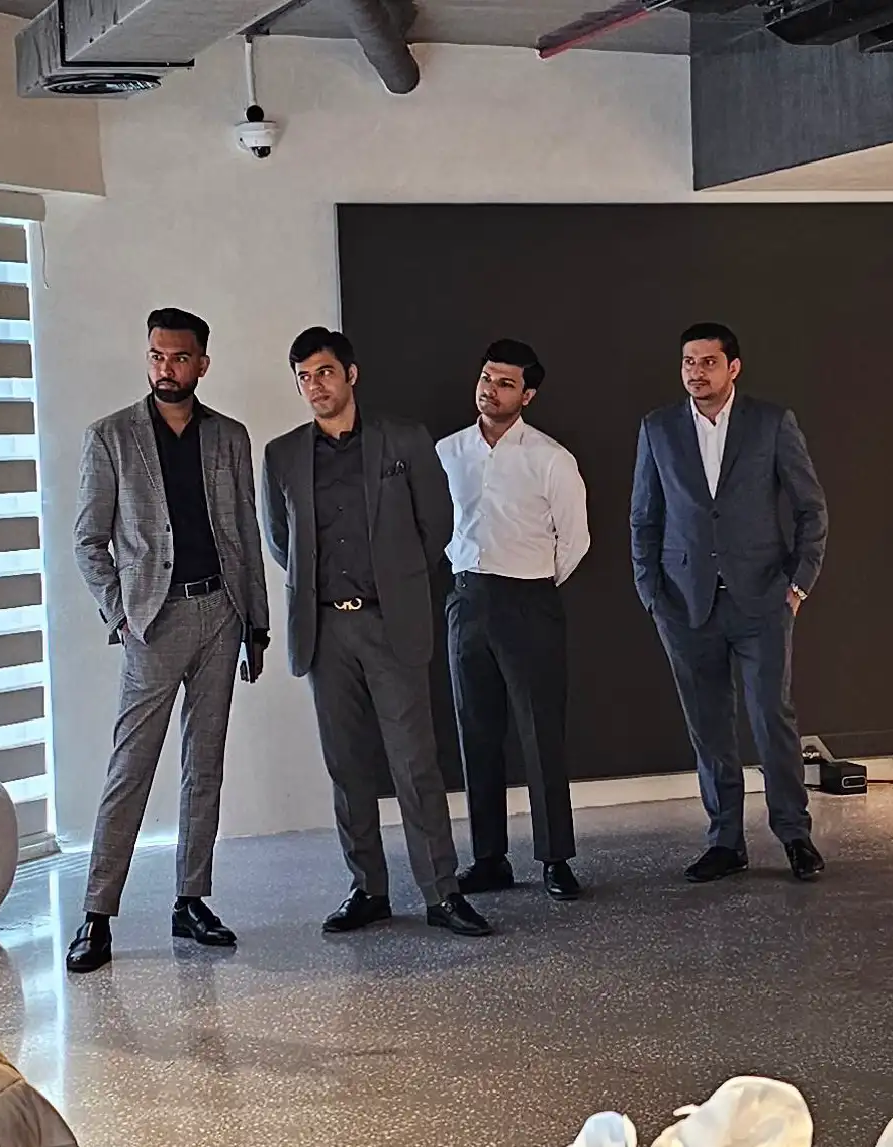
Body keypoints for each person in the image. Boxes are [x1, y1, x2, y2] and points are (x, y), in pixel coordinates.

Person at [261, 327, 492, 937]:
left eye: (325, 373)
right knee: (348, 767)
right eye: (305, 376)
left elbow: (436, 523)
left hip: (392, 624)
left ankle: (442, 893)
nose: (316, 386)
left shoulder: (404, 440)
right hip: (323, 632)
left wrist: (395, 585)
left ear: (351, 375)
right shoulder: (282, 455)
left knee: (415, 763)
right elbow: (281, 542)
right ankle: (367, 888)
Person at [68, 308, 270, 971]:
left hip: (221, 611)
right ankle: (97, 915)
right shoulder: (111, 437)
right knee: (131, 768)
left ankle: (191, 897)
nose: (165, 368)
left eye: (179, 357)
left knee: (203, 763)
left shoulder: (229, 437)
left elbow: (244, 531)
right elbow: (87, 540)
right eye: (156, 355)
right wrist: (119, 614)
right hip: (152, 621)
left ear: (202, 364)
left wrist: (255, 623)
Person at [630, 322, 829, 883]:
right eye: (689, 362)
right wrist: (651, 593)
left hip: (762, 597)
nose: (696, 371)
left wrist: (798, 585)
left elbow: (812, 508)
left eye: (708, 362)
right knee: (709, 727)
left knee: (772, 720)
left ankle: (795, 835)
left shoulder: (771, 423)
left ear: (733, 368)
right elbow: (644, 517)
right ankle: (725, 840)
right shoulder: (658, 429)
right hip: (685, 603)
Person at [438, 339, 591, 901]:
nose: (490, 390)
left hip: (529, 600)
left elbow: (575, 541)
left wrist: (532, 583)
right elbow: (435, 527)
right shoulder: (448, 452)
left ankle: (554, 858)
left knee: (539, 732)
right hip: (466, 599)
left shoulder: (550, 457)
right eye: (485, 377)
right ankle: (489, 859)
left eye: (505, 383)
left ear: (527, 394)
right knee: (475, 732)